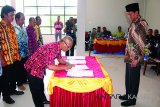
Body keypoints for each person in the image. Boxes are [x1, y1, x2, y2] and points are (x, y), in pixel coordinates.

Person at [24, 36, 75, 107]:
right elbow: (50, 67)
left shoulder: (58, 46)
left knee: (40, 87)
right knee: (36, 92)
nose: (69, 49)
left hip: (40, 69)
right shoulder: (52, 48)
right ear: (63, 43)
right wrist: (66, 67)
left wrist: (68, 63)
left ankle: (43, 100)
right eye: (68, 47)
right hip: (33, 69)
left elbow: (60, 59)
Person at [119, 3, 148, 106]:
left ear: (137, 12)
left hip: (135, 57)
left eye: (130, 14)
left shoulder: (142, 24)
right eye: (128, 14)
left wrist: (136, 58)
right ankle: (128, 95)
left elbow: (142, 44)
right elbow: (131, 40)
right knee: (128, 77)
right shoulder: (133, 23)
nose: (129, 16)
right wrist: (129, 53)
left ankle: (132, 99)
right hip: (129, 55)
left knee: (134, 79)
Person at [0, 5, 24, 104]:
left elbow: (14, 41)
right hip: (5, 58)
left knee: (13, 75)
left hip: (14, 57)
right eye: (11, 15)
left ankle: (12, 90)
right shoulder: (0, 27)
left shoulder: (11, 26)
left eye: (13, 15)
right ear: (4, 15)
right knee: (5, 79)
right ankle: (6, 96)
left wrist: (17, 54)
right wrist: (1, 59)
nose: (13, 17)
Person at [14, 12, 29, 90]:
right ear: (17, 19)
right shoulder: (14, 29)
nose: (23, 21)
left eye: (24, 19)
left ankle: (24, 80)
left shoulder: (23, 28)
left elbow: (26, 39)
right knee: (19, 68)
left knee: (24, 67)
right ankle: (19, 84)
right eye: (22, 19)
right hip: (19, 53)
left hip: (25, 52)